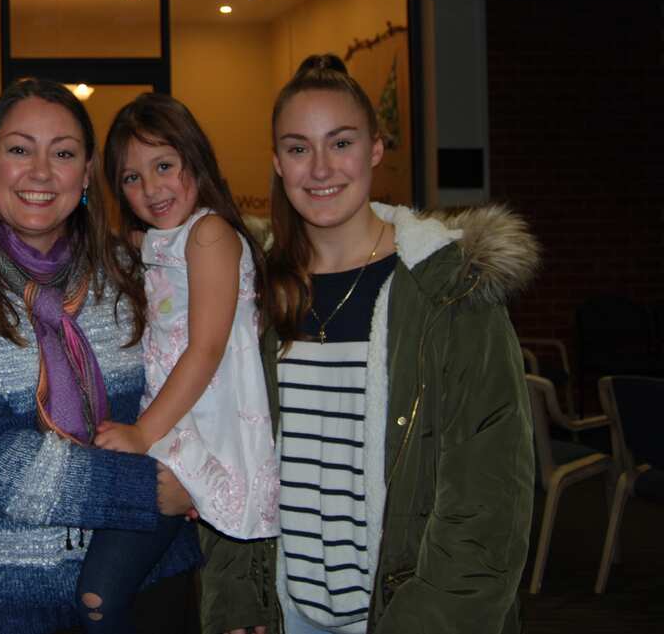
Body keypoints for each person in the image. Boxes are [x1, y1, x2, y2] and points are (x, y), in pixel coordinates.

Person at [208, 55, 536, 634]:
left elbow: (489, 496)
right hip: (288, 611)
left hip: (407, 612)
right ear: (277, 163)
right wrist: (238, 594)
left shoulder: (447, 291)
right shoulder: (252, 291)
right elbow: (231, 456)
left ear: (376, 149)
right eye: (297, 147)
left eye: (341, 142)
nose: (320, 168)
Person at [0, 78, 200, 634]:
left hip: (148, 576)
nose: (41, 173)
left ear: (88, 171)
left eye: (63, 153)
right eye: (19, 149)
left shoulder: (133, 272)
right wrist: (149, 490)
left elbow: (203, 379)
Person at [80, 93, 279, 632]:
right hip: (175, 423)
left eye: (164, 166)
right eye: (131, 178)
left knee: (99, 590)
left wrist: (144, 433)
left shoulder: (209, 234)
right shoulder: (158, 240)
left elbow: (207, 348)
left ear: (196, 159)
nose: (151, 189)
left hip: (199, 429)